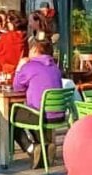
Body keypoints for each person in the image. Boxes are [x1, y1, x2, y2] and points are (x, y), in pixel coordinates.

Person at [11, 38, 65, 167]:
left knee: (9, 115)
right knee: (31, 112)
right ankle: (45, 147)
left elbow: (17, 87)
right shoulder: (55, 68)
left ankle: (31, 148)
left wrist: (19, 67)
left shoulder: (30, 66)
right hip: (58, 115)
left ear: (35, 50)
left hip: (40, 115)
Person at [0, 10, 27, 81]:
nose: (6, 24)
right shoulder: (26, 38)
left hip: (6, 74)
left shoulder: (6, 37)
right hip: (21, 74)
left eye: (8, 22)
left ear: (14, 22)